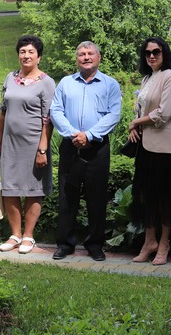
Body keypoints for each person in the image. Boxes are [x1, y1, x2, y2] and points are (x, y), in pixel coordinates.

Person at [49, 41, 122, 262]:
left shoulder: (110, 84)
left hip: (97, 148)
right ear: (76, 59)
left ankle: (94, 245)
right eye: (81, 54)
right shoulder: (65, 83)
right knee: (67, 196)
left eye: (90, 53)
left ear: (99, 58)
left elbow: (113, 115)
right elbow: (56, 110)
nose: (86, 57)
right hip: (70, 146)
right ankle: (65, 244)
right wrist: (74, 134)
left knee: (97, 197)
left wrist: (88, 135)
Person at [0, 35, 55, 255]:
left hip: (34, 145)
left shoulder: (46, 82)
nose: (26, 55)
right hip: (10, 144)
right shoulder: (10, 78)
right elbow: (3, 112)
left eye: (31, 52)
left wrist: (42, 149)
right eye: (22, 51)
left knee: (33, 190)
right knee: (9, 188)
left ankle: (28, 235)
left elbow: (48, 119)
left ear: (39, 56)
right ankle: (15, 235)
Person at [127, 37, 171, 266]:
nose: (151, 56)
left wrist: (136, 122)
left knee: (164, 198)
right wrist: (135, 126)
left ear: (164, 53)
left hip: (164, 149)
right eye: (147, 52)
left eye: (156, 52)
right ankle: (149, 241)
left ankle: (164, 244)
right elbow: (142, 110)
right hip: (145, 147)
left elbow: (163, 114)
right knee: (145, 196)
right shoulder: (147, 78)